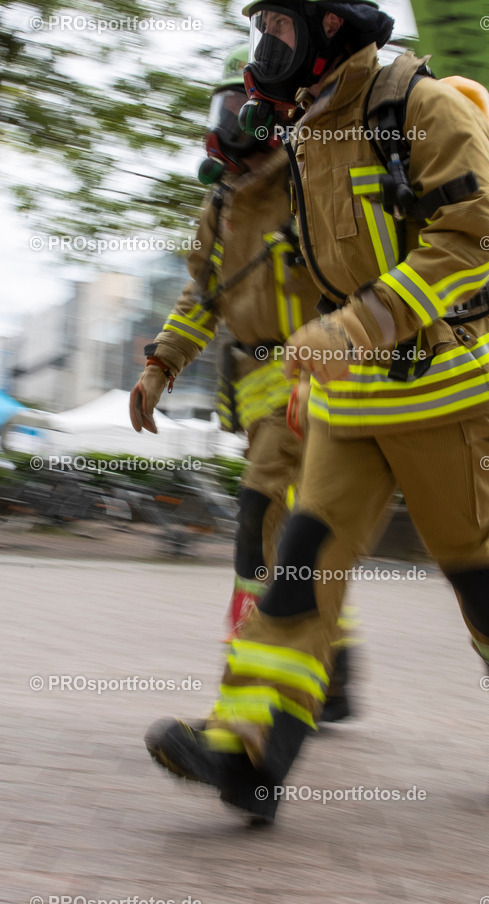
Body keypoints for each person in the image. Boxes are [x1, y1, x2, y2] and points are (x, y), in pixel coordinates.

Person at [146, 0, 489, 825]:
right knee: (298, 570)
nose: (265, 47)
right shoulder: (305, 133)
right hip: (350, 402)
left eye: (275, 25)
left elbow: (473, 239)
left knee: (480, 578)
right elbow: (302, 271)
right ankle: (247, 748)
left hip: (451, 394)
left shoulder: (422, 106)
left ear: (329, 24)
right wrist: (190, 359)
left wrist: (356, 326)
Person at [129, 46, 355, 738]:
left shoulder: (313, 179)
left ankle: (251, 691)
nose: (229, 123)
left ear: (276, 113)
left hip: (318, 382)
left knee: (259, 525)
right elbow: (200, 298)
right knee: (295, 535)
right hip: (262, 398)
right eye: (222, 108)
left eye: (241, 108)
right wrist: (160, 366)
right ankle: (333, 668)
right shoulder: (222, 204)